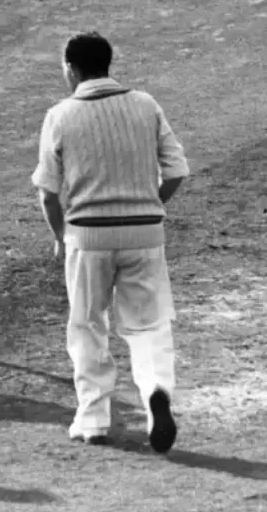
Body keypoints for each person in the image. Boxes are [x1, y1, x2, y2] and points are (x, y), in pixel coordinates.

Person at [31, 32, 190, 453]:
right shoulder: (145, 105)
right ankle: (156, 390)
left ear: (71, 68)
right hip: (145, 234)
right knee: (150, 324)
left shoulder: (60, 115)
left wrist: (61, 236)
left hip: (88, 236)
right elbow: (176, 170)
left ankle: (94, 418)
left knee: (87, 325)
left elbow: (47, 193)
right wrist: (149, 204)